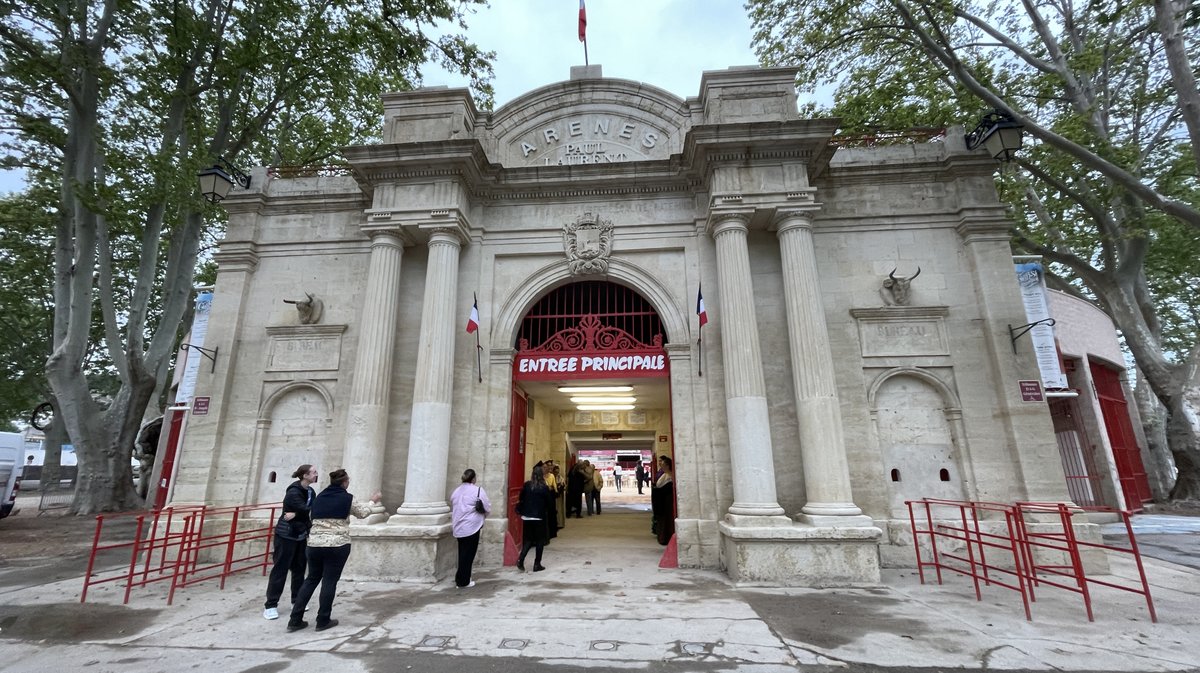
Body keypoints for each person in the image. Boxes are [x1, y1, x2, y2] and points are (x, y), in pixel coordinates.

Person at [287, 469, 381, 633]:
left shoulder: (319, 498)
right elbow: (363, 513)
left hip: (314, 544)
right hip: (337, 544)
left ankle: (295, 620)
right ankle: (323, 619)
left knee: (311, 579)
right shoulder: (347, 498)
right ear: (345, 482)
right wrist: (373, 501)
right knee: (329, 581)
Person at [263, 464, 318, 620]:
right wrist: (299, 513)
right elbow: (305, 509)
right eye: (313, 472)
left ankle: (297, 600)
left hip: (300, 533)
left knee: (299, 568)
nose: (316, 474)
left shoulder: (310, 491)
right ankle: (271, 605)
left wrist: (297, 514)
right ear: (305, 475)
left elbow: (310, 509)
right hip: (286, 534)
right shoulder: (293, 491)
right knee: (280, 569)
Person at [450, 468, 490, 588]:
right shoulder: (477, 490)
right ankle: (463, 581)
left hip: (458, 526)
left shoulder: (456, 491)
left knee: (462, 552)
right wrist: (482, 517)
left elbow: (453, 503)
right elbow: (487, 507)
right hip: (472, 526)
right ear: (473, 479)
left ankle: (461, 577)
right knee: (469, 554)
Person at [515, 464, 553, 572]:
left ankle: (520, 560)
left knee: (528, 540)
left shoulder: (527, 485)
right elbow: (549, 502)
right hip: (539, 517)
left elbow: (521, 498)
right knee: (540, 541)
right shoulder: (544, 487)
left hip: (527, 516)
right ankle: (537, 564)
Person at [651, 456, 675, 546]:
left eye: (663, 464)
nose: (661, 465)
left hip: (666, 502)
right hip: (661, 501)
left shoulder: (670, 476)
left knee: (666, 520)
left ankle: (666, 537)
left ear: (668, 466)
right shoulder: (664, 475)